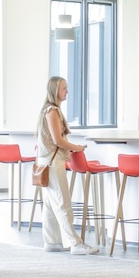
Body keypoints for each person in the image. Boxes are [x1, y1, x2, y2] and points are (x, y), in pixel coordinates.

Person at [35, 76, 86, 253]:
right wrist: (77, 147)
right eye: (64, 88)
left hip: (45, 160)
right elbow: (58, 140)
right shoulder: (52, 111)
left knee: (50, 205)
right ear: (55, 90)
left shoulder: (48, 110)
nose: (67, 91)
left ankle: (52, 242)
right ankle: (76, 243)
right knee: (63, 203)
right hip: (52, 161)